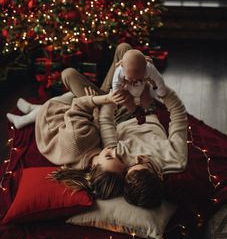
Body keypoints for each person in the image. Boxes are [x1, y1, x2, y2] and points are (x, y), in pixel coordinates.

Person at [6, 43, 134, 200]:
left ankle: (30, 116)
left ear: (94, 167)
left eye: (110, 157)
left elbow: (79, 105)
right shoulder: (93, 159)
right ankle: (32, 110)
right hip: (83, 120)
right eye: (118, 158)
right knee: (124, 49)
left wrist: (101, 100)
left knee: (68, 75)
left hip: (56, 116)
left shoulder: (80, 140)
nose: (114, 151)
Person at [99, 84, 188, 208]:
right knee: (137, 68)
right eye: (142, 162)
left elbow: (105, 121)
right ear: (160, 176)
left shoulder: (117, 161)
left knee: (69, 75)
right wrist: (160, 87)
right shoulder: (176, 160)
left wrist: (114, 94)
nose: (137, 158)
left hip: (119, 115)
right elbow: (178, 114)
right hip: (146, 111)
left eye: (131, 166)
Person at [112, 49, 166, 124]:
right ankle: (135, 111)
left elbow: (159, 80)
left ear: (145, 66)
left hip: (143, 87)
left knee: (146, 95)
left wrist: (161, 93)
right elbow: (115, 84)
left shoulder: (150, 68)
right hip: (127, 88)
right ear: (122, 66)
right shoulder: (119, 71)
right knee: (126, 99)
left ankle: (147, 110)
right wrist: (117, 95)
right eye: (131, 78)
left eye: (138, 77)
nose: (134, 80)